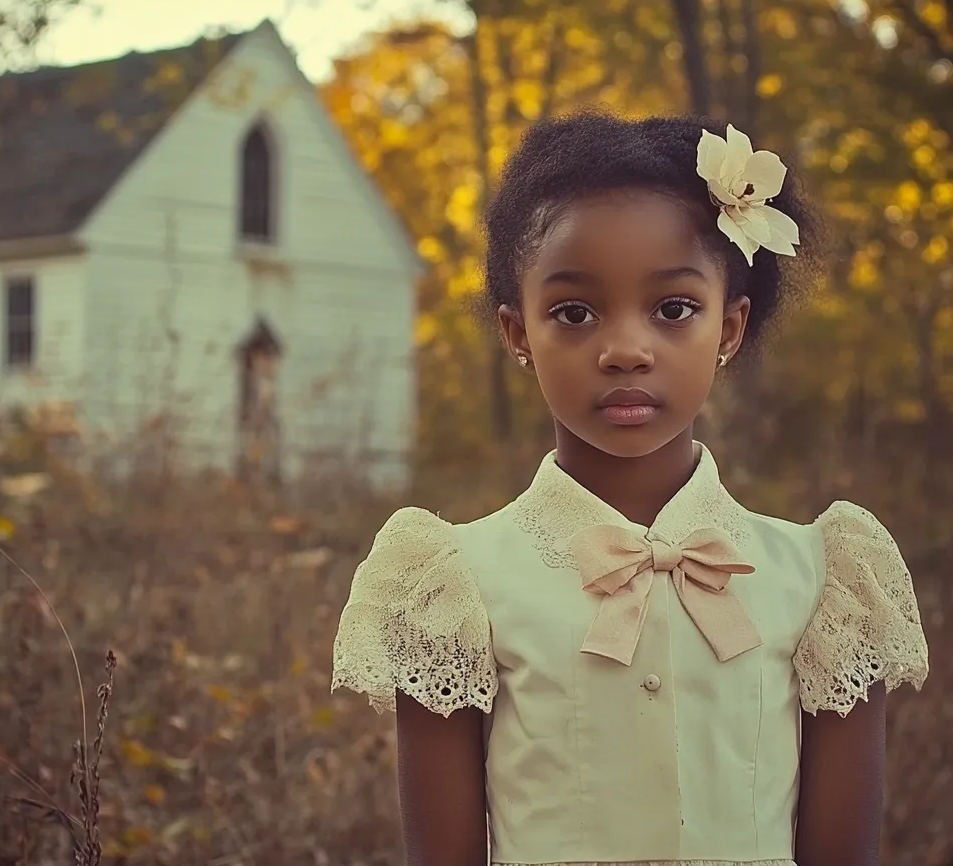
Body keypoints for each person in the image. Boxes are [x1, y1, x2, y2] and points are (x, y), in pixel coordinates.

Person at [331, 111, 930, 866]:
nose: (624, 350)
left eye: (673, 309)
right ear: (518, 334)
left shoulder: (824, 579)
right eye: (573, 312)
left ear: (730, 328)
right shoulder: (449, 583)